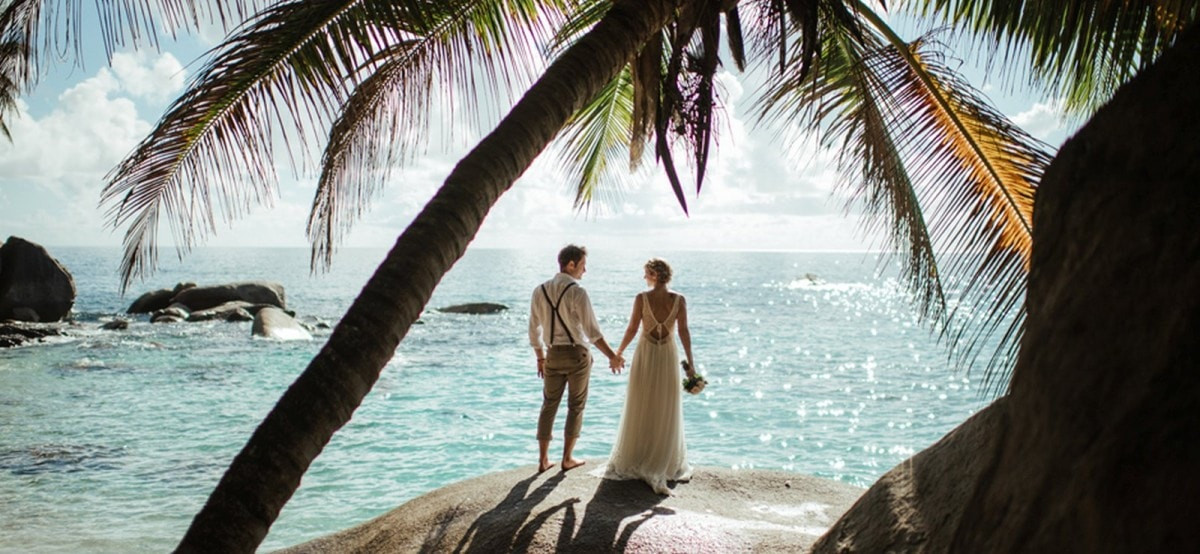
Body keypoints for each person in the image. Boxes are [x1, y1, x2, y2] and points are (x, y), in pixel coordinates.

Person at [604, 257, 696, 495]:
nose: (644, 278)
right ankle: (662, 458)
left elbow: (633, 329)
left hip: (646, 354)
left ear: (654, 275)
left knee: (641, 403)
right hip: (667, 355)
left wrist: (619, 352)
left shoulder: (642, 299)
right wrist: (690, 366)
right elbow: (684, 332)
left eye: (646, 274)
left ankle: (640, 454)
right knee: (666, 405)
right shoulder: (679, 300)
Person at [529, 244, 624, 473]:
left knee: (548, 405)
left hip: (551, 354)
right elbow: (593, 333)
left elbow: (534, 330)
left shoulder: (539, 290)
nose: (584, 271)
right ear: (571, 264)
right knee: (576, 405)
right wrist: (613, 356)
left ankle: (543, 460)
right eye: (582, 265)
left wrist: (540, 357)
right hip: (576, 354)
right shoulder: (577, 292)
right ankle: (567, 459)